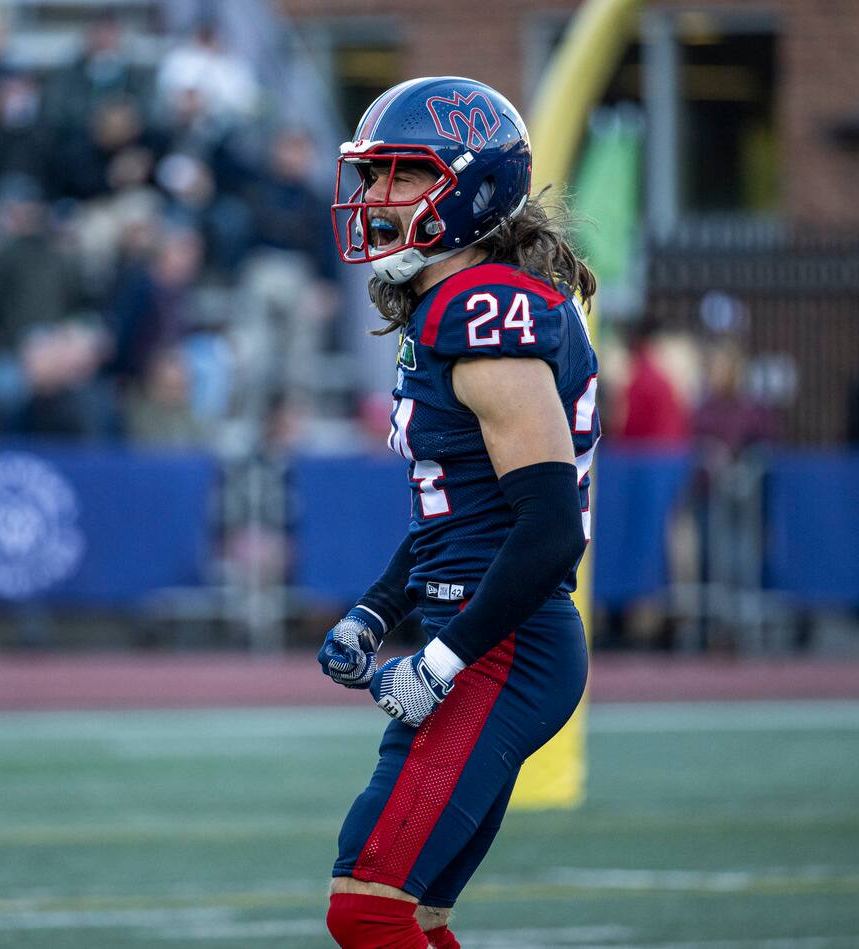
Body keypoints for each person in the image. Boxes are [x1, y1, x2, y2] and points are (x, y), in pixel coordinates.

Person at [316, 77, 600, 949]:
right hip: (483, 627)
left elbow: (550, 529)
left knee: (367, 909)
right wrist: (378, 607)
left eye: (397, 175)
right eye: (370, 178)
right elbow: (458, 516)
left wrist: (442, 660)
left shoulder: (484, 311)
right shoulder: (449, 306)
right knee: (414, 914)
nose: (371, 199)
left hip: (503, 643)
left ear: (468, 187)